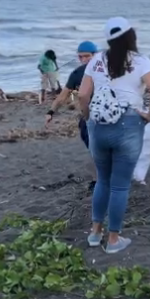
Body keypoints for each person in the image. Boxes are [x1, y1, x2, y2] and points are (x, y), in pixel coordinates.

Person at [78, 17, 150, 254]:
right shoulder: (140, 61)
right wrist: (149, 114)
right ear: (131, 36)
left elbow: (83, 95)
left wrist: (86, 117)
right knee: (120, 186)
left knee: (102, 180)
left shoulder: (96, 59)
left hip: (98, 124)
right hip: (128, 123)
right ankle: (114, 239)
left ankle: (95, 233)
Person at [45, 41, 98, 191]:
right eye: (80, 57)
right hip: (88, 118)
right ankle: (97, 179)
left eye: (87, 56)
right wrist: (51, 112)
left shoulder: (107, 71)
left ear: (95, 55)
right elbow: (62, 96)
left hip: (108, 116)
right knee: (94, 150)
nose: (84, 60)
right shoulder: (77, 74)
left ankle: (104, 178)